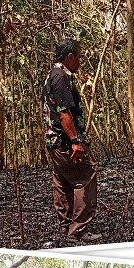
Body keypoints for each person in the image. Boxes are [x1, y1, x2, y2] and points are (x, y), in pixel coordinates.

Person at [42, 38, 101, 244]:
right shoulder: (61, 77)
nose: (80, 62)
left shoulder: (52, 75)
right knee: (85, 176)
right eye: (79, 57)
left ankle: (66, 227)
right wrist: (75, 140)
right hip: (65, 141)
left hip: (55, 141)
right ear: (70, 57)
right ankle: (77, 231)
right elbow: (63, 112)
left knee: (62, 181)